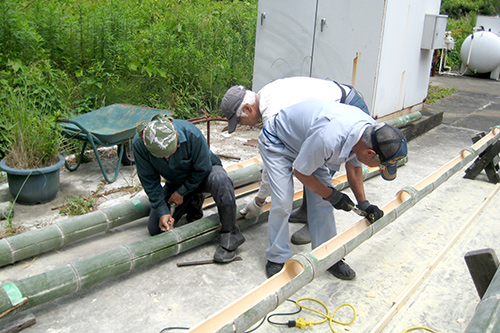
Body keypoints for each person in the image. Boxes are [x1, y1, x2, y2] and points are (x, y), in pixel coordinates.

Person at [257, 99, 407, 278]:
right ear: (370, 154)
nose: (377, 168)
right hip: (278, 141)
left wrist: (364, 203)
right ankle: (276, 257)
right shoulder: (329, 138)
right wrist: (333, 195)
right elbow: (301, 173)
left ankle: (328, 256)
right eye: (379, 166)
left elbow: (355, 166)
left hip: (308, 143)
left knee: (323, 202)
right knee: (283, 200)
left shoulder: (372, 133)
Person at [221, 76, 371, 246]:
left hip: (346, 107)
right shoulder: (264, 96)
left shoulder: (272, 113)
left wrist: (259, 201)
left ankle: (317, 228)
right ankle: (307, 211)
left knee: (320, 178)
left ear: (248, 108)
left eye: (240, 120)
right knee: (310, 169)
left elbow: (273, 168)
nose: (244, 124)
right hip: (330, 112)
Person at [132, 114, 245, 263]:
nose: (167, 157)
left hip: (205, 174)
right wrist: (163, 211)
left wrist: (181, 193)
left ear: (176, 136)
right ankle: (193, 203)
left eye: (170, 152)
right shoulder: (140, 144)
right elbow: (150, 182)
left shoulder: (191, 134)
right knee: (155, 228)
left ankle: (231, 235)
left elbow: (203, 169)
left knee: (220, 179)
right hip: (176, 181)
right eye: (161, 156)